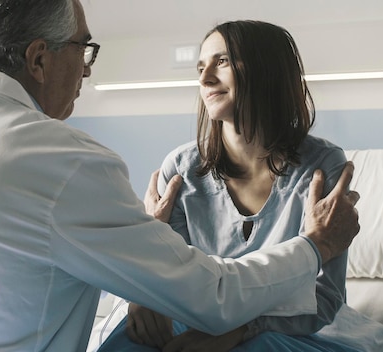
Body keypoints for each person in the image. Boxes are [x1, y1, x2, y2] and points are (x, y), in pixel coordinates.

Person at [0, 2, 360, 351]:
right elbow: (209, 294)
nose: (86, 68)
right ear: (38, 59)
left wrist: (143, 244)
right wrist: (316, 245)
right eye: (84, 48)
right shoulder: (65, 158)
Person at [95, 21, 359, 352]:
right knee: (128, 341)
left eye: (222, 62)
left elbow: (324, 296)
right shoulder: (180, 170)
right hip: (196, 317)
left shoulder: (322, 166)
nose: (205, 80)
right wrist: (145, 285)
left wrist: (239, 331)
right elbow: (173, 280)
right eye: (201, 67)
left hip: (295, 331)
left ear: (268, 69)